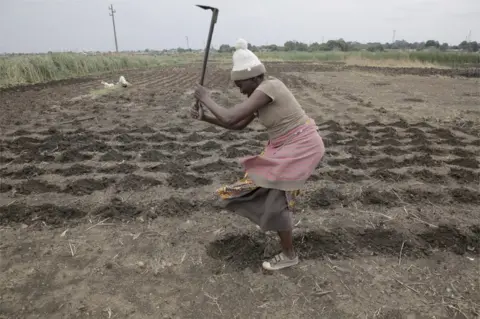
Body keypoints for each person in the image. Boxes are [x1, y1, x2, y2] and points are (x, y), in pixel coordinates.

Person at [190, 38, 325, 271]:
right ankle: (284, 244)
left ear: (253, 78)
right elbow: (236, 126)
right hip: (286, 147)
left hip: (302, 147)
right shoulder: (259, 96)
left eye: (240, 84)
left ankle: (289, 255)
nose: (239, 90)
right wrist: (205, 117)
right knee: (270, 195)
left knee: (277, 199)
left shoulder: (269, 87)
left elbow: (231, 117)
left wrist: (206, 98)